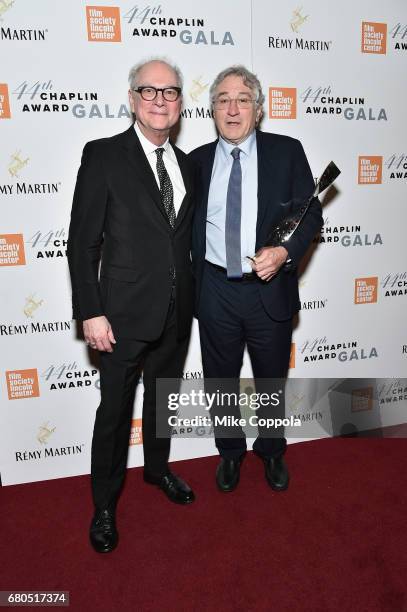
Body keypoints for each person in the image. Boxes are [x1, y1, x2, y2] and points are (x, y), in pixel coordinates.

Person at [67, 58, 196, 554]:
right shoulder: (102, 155)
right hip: (119, 316)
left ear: (181, 103)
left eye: (170, 92)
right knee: (114, 414)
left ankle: (158, 471)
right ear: (132, 98)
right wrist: (90, 310)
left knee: (163, 401)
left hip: (175, 310)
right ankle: (103, 505)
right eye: (149, 90)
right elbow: (82, 243)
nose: (160, 100)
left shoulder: (188, 165)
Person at [189, 65, 323, 493]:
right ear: (212, 110)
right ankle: (229, 453)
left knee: (270, 381)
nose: (232, 109)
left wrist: (285, 252)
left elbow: (311, 213)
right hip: (214, 291)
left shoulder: (287, 152)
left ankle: (271, 450)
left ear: (258, 109)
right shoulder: (194, 163)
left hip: (270, 291)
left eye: (242, 100)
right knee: (220, 382)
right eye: (223, 100)